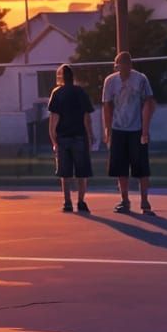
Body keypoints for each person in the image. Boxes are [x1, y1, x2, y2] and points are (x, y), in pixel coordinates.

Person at [101, 50, 156, 215]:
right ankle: (124, 199)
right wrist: (107, 129)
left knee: (141, 167)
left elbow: (148, 102)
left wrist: (145, 129)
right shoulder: (110, 81)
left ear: (130, 66)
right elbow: (107, 105)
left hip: (136, 129)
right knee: (120, 168)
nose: (123, 70)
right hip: (118, 128)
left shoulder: (140, 79)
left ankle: (144, 200)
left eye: (126, 66)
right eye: (120, 66)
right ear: (117, 67)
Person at [47, 64, 97, 214]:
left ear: (60, 77)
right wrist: (90, 135)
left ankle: (67, 202)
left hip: (63, 137)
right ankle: (81, 201)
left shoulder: (57, 93)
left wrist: (53, 139)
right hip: (79, 135)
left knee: (65, 173)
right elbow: (87, 117)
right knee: (82, 172)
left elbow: (54, 118)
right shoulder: (80, 92)